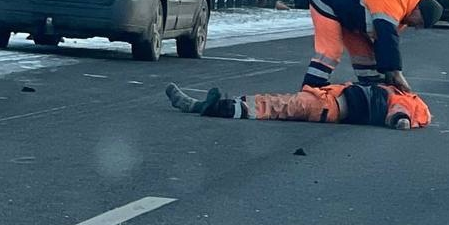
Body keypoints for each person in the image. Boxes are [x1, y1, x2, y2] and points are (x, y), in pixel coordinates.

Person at [303, 0, 443, 92]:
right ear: (417, 9)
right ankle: (311, 87)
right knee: (330, 52)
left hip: (350, 13)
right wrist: (396, 73)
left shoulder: (403, 15)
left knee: (365, 54)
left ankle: (371, 88)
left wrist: (388, 77)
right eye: (419, 23)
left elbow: (381, 44)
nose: (416, 27)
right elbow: (387, 38)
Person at [165, 81, 431, 130]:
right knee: (274, 103)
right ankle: (216, 105)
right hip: (328, 103)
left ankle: (211, 108)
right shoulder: (401, 96)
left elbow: (400, 113)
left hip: (330, 106)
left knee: (273, 106)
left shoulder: (409, 101)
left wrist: (400, 121)